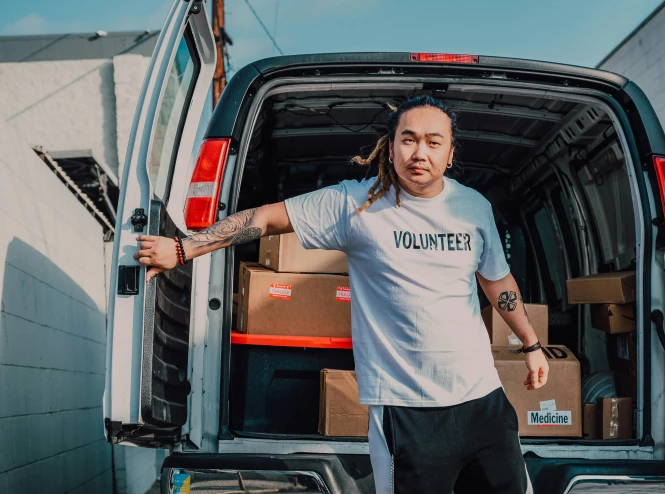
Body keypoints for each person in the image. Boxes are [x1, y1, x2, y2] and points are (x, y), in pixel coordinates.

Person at [135, 95, 548, 494]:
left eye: (433, 142)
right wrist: (183, 248)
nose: (420, 152)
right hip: (406, 412)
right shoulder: (356, 203)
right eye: (409, 139)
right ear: (391, 146)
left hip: (483, 400)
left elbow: (497, 282)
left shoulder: (473, 207)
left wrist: (531, 344)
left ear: (450, 153)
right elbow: (265, 217)